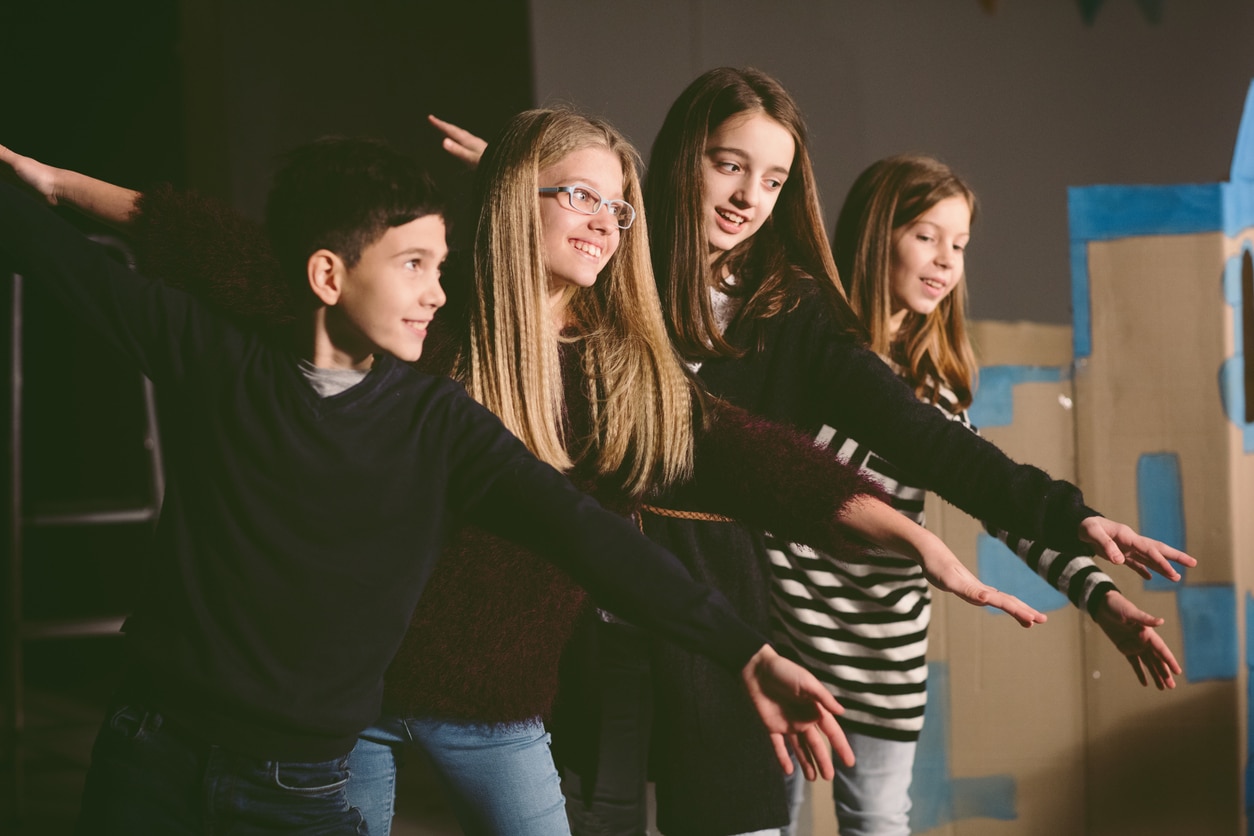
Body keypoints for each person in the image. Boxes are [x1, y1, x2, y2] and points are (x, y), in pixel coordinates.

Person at [0, 119, 1045, 836]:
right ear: (330, 275)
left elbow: (604, 529)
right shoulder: (250, 354)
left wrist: (753, 643)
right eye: (412, 265)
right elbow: (135, 255)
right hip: (181, 734)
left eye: (438, 267)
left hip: (365, 745)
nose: (430, 288)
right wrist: (48, 187)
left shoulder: (460, 413)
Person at [431, 92, 1193, 836]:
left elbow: (929, 441)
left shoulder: (791, 310)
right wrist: (520, 185)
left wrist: (1072, 520)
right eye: (730, 164)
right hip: (585, 615)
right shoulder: (614, 275)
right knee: (597, 809)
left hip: (723, 605)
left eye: (773, 180)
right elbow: (530, 254)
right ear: (680, 162)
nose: (748, 197)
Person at [761, 152, 1183, 836]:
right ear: (876, 236)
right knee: (762, 819)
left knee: (876, 820)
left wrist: (1099, 596)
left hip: (882, 650)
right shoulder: (809, 359)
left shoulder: (937, 387)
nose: (945, 260)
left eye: (958, 244)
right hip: (783, 634)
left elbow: (1000, 503)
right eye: (927, 235)